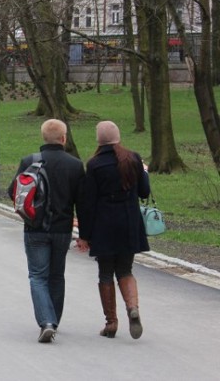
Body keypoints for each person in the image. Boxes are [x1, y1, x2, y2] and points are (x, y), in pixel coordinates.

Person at [7, 119, 85, 343]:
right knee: (57, 275)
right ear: (64, 138)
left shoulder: (29, 161)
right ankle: (55, 321)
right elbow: (82, 203)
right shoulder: (75, 165)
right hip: (62, 229)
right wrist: (85, 235)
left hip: (34, 228)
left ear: (43, 137)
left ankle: (47, 322)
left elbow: (13, 191)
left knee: (38, 276)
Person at [75, 121, 150, 340]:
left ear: (98, 139)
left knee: (106, 272)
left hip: (104, 225)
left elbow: (88, 203)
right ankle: (133, 308)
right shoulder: (133, 159)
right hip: (129, 222)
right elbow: (144, 192)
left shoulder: (95, 164)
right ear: (118, 137)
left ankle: (111, 323)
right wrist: (143, 172)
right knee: (125, 270)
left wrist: (85, 235)